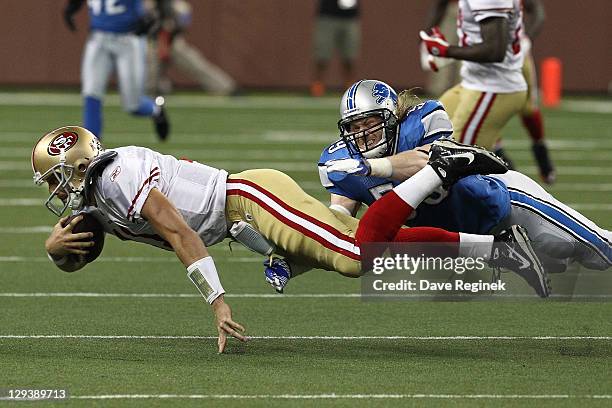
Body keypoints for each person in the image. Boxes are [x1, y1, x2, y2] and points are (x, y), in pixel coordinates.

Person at [32, 127, 547, 348]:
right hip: (247, 218)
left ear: (76, 167)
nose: (56, 191)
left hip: (252, 199)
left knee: (355, 256)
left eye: (56, 178)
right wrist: (56, 253)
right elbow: (84, 245)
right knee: (372, 244)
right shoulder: (99, 194)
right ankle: (500, 252)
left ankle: (439, 168)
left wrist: (217, 301)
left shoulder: (118, 175)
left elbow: (179, 230)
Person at [317, 80, 611, 279]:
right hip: (483, 240)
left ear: (392, 119)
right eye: (354, 126)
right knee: (559, 256)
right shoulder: (342, 162)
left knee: (599, 252)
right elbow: (335, 230)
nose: (363, 134)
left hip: (508, 202)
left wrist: (370, 167)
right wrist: (289, 259)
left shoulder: (421, 120)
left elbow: (430, 163)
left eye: (370, 123)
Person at [419, 0, 526, 154]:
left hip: (493, 87)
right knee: (428, 131)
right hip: (474, 83)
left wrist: (446, 51)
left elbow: (495, 51)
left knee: (452, 157)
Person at [63, 0, 170, 140]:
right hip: (98, 38)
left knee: (133, 105)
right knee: (91, 94)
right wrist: (72, 6)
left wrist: (151, 15)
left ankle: (156, 110)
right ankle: (93, 147)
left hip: (129, 39)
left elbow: (151, 9)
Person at [144, 0, 238, 96]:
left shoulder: (179, 5)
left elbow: (184, 23)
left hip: (174, 42)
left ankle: (227, 88)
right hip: (153, 43)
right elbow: (142, 24)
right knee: (150, 75)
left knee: (197, 65)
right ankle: (158, 89)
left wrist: (173, 24)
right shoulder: (147, 5)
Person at [311, 0, 361, 97]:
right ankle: (317, 86)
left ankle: (349, 88)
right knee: (322, 55)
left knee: (349, 56)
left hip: (350, 17)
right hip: (328, 15)